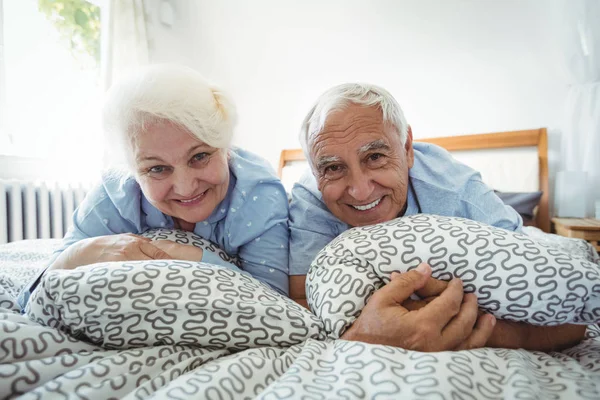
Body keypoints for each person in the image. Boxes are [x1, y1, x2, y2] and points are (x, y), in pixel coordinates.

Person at [289, 83, 585, 351]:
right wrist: (364, 334)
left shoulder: (462, 194)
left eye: (375, 157)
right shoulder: (310, 200)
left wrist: (467, 328)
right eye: (333, 168)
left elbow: (573, 318)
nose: (360, 190)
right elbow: (301, 304)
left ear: (407, 149)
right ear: (316, 173)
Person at [18, 64, 289, 308]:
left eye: (200, 156)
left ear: (225, 147)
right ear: (132, 172)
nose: (185, 187)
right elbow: (31, 298)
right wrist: (80, 254)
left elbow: (275, 303)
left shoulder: (259, 194)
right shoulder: (112, 196)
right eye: (157, 169)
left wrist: (183, 256)